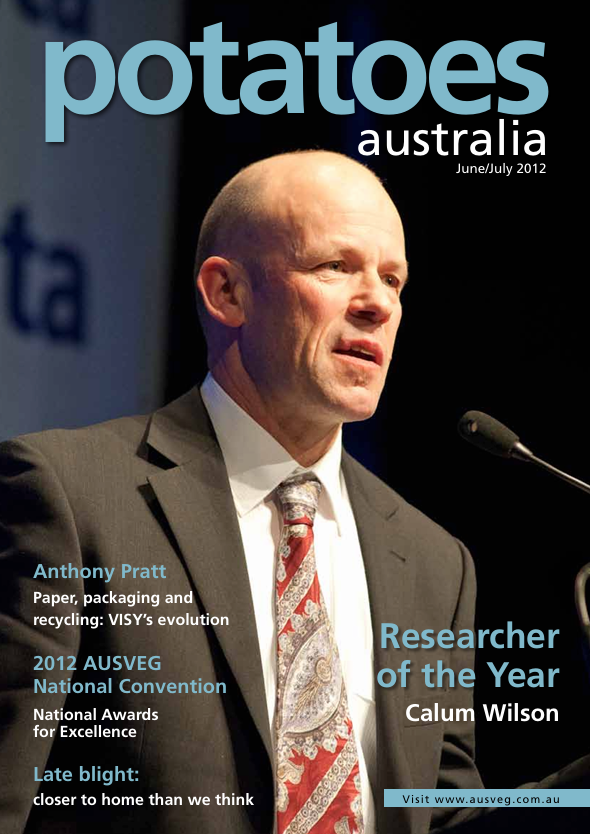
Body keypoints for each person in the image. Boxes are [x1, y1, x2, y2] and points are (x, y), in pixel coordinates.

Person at [0, 151, 587, 834]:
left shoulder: (434, 562)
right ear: (227, 293)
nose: (378, 304)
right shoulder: (70, 495)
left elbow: (438, 815)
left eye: (392, 279)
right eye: (335, 266)